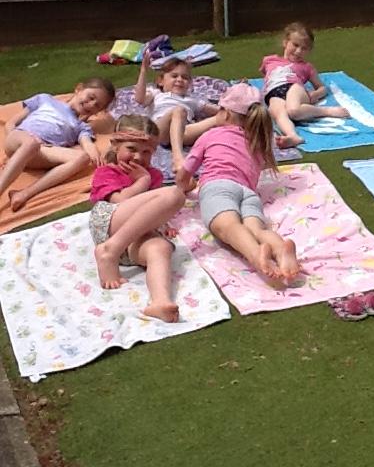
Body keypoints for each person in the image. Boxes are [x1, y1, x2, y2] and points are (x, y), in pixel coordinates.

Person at [175, 83, 301, 282]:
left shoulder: (211, 135)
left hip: (218, 186)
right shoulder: (257, 142)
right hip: (248, 193)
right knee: (257, 230)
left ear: (225, 113)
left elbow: (186, 171)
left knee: (227, 225)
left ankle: (256, 255)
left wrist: (183, 186)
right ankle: (280, 249)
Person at [89, 114, 185, 323]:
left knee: (160, 248)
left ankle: (160, 301)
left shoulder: (154, 175)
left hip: (132, 243)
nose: (138, 157)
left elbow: (152, 209)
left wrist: (164, 223)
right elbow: (120, 201)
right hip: (109, 225)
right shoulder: (107, 171)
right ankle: (109, 250)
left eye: (146, 152)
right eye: (131, 149)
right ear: (115, 145)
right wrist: (142, 181)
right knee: (175, 194)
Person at [0, 77, 115, 213]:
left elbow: (87, 145)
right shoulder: (45, 99)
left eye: (97, 106)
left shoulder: (81, 127)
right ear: (79, 89)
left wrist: (99, 157)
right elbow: (11, 123)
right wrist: (16, 141)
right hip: (19, 138)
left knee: (83, 158)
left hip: (40, 151)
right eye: (91, 97)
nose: (91, 104)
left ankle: (23, 194)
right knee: (30, 143)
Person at [261, 21, 349, 149]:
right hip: (273, 92)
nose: (298, 51)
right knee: (277, 112)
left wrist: (316, 94)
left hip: (293, 87)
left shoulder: (306, 67)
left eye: (304, 48)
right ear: (285, 42)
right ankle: (292, 136)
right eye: (295, 45)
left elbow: (321, 87)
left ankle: (326, 111)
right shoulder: (269, 60)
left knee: (293, 111)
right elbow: (266, 77)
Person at [134, 57, 219, 173]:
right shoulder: (156, 94)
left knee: (222, 117)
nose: (179, 80)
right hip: (160, 130)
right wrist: (143, 71)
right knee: (179, 111)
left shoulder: (192, 100)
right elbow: (139, 99)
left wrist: (230, 108)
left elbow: (217, 110)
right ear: (161, 81)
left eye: (185, 77)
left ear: (190, 83)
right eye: (174, 76)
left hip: (183, 133)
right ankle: (177, 158)